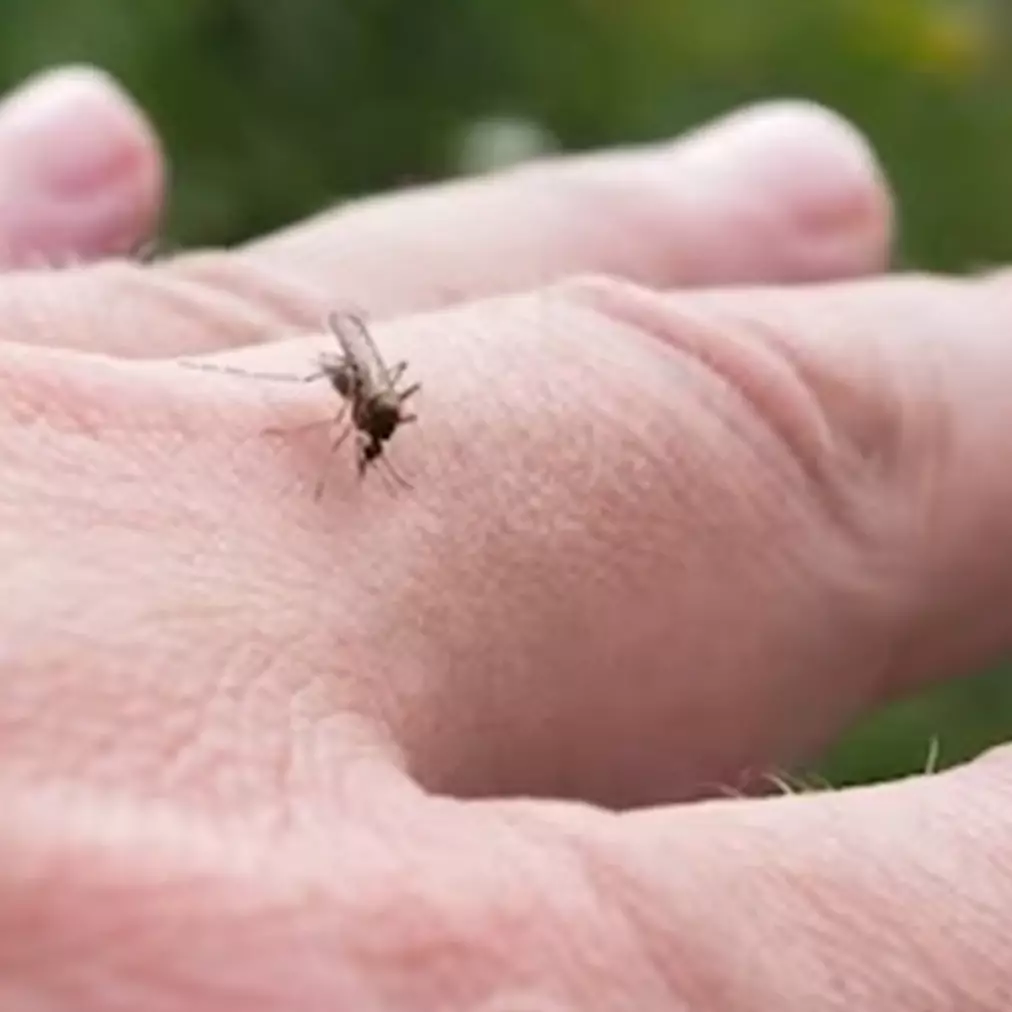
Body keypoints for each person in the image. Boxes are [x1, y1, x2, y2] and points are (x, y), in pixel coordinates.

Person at [0, 63, 1007, 1010]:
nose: (375, 432)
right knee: (306, 399)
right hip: (337, 370)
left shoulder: (382, 415)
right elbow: (356, 382)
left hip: (359, 372)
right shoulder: (363, 399)